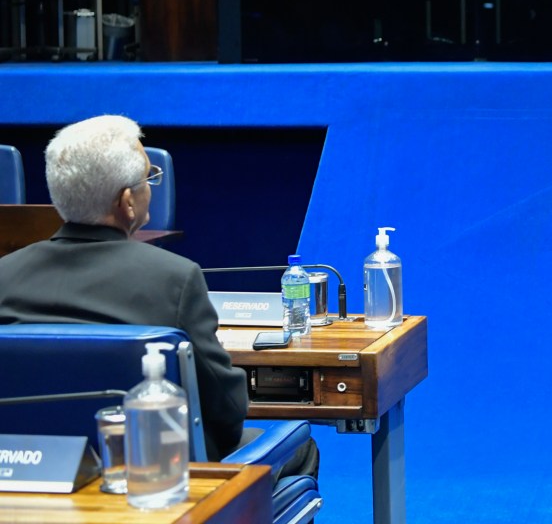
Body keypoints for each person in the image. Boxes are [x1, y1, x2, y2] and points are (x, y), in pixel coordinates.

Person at [0, 115, 318, 476]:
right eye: (148, 178)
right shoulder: (174, 279)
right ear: (127, 202)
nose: (151, 186)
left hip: (34, 470)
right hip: (156, 476)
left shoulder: (4, 276)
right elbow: (227, 410)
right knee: (300, 446)